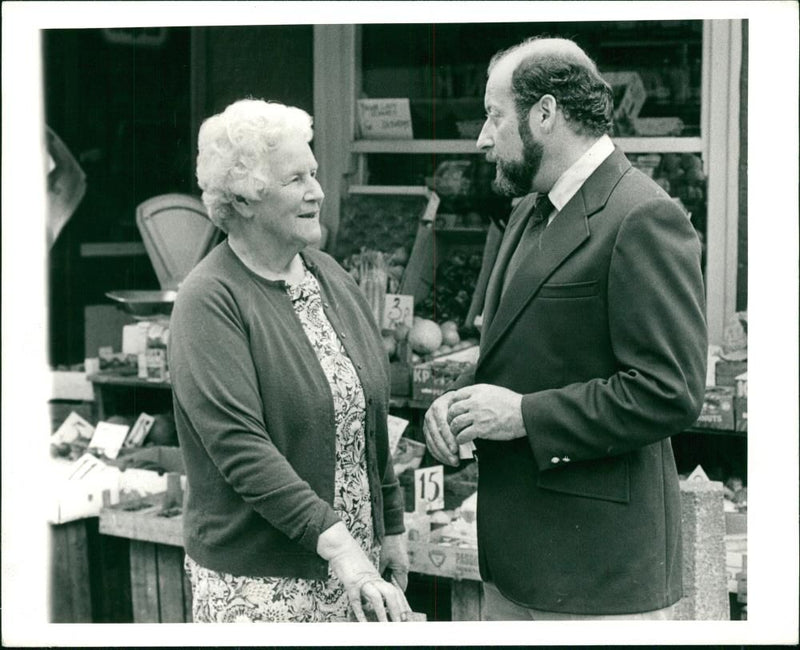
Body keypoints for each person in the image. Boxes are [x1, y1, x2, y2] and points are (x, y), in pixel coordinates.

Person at [423, 37, 707, 620]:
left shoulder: (643, 215)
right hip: (516, 566)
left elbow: (670, 392)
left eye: (494, 116)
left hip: (595, 577)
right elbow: (524, 355)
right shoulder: (530, 207)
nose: (482, 137)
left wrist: (523, 415)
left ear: (545, 114)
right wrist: (460, 405)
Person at [169, 99, 410, 623]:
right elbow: (241, 448)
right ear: (247, 198)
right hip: (262, 586)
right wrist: (340, 545)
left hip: (355, 575)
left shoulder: (330, 277)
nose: (317, 191)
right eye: (296, 179)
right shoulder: (209, 298)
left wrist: (390, 526)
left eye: (315, 173)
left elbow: (369, 415)